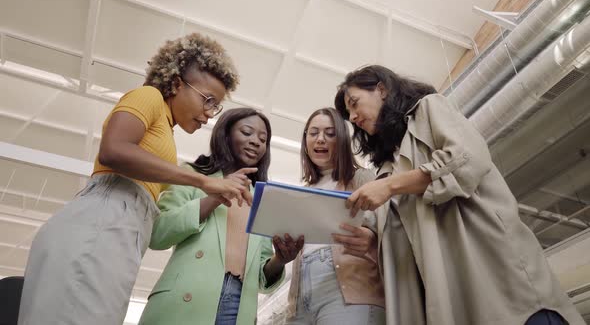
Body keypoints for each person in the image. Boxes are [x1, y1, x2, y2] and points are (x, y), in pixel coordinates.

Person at [18, 33, 251, 325]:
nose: (208, 114)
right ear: (177, 83)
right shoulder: (148, 96)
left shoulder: (166, 130)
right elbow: (113, 149)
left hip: (124, 229)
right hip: (105, 218)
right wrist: (202, 182)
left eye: (214, 106)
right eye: (207, 100)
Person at [334, 65, 585, 325]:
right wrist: (374, 241)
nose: (352, 117)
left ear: (382, 90)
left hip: (490, 266)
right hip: (451, 292)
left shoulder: (429, 109)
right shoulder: (386, 169)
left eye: (354, 104)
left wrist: (391, 186)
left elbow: (467, 158)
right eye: (348, 113)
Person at [139, 108, 303, 325]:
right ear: (225, 135)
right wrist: (215, 197)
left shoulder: (261, 199)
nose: (256, 141)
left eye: (263, 139)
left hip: (238, 305)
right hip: (185, 297)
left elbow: (263, 278)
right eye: (247, 132)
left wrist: (280, 260)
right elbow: (158, 234)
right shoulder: (194, 175)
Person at [283, 107, 385, 325]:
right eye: (313, 133)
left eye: (330, 134)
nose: (320, 139)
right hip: (301, 294)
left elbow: (390, 229)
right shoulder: (302, 192)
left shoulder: (361, 178)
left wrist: (372, 238)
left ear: (341, 141)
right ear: (305, 141)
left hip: (349, 287)